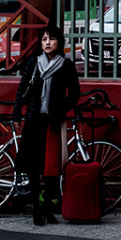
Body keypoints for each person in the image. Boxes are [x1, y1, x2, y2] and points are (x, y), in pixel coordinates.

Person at [12, 23, 80, 226]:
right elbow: (21, 89)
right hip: (34, 120)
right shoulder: (34, 62)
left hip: (53, 122)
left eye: (51, 39)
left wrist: (62, 108)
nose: (47, 43)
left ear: (59, 42)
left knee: (50, 168)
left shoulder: (67, 66)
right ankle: (36, 209)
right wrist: (17, 114)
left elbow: (75, 93)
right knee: (33, 166)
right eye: (44, 39)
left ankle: (49, 209)